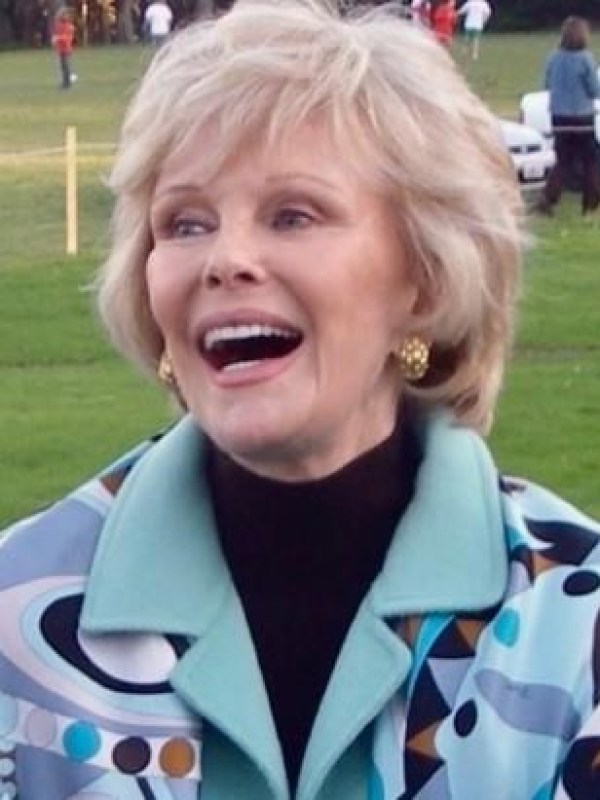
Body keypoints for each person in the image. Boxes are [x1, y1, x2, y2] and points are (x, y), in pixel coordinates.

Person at [1, 1, 600, 797]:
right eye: (185, 223)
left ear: (425, 279)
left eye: (292, 215)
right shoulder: (17, 615)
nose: (225, 259)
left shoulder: (575, 622)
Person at [537, 16, 600, 217]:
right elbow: (594, 89)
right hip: (582, 118)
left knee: (563, 160)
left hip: (559, 117)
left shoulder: (554, 58)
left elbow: (547, 83)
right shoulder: (585, 59)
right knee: (591, 160)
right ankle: (591, 202)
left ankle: (548, 197)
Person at [51, 6, 76, 89]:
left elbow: (67, 37)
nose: (65, 16)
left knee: (66, 66)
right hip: (60, 49)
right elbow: (57, 33)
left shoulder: (69, 26)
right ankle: (65, 81)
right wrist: (55, 39)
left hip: (66, 49)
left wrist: (58, 38)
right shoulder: (59, 24)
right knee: (63, 66)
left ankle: (67, 83)